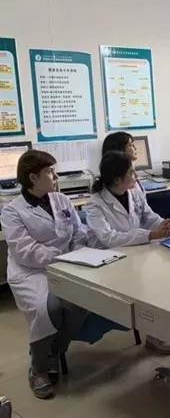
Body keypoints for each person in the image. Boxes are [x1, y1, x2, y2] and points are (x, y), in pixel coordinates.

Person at [1, 150, 92, 399]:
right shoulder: (12, 211)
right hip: (30, 271)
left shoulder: (61, 200)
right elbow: (24, 250)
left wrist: (78, 251)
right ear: (33, 177)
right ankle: (38, 369)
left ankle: (52, 353)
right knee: (44, 311)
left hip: (67, 264)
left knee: (80, 304)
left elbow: (78, 231)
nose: (56, 176)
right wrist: (61, 256)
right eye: (50, 172)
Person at [85, 151, 170, 355]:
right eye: (131, 172)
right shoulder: (95, 204)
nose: (136, 176)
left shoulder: (133, 192)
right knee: (147, 284)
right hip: (109, 260)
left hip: (136, 253)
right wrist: (150, 234)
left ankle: (158, 331)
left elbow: (148, 216)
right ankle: (154, 334)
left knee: (164, 278)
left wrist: (164, 224)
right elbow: (109, 238)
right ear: (117, 179)